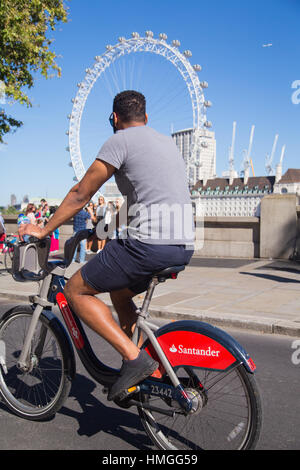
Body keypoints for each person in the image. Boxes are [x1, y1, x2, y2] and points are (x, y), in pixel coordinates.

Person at [18, 90, 195, 402]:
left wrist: (44, 228)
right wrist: (100, 231)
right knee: (119, 292)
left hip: (148, 245)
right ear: (146, 117)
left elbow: (80, 194)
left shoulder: (119, 141)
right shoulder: (166, 143)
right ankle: (140, 375)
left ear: (114, 118)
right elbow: (136, 202)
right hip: (182, 245)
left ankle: (133, 357)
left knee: (75, 290)